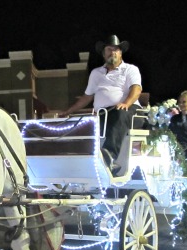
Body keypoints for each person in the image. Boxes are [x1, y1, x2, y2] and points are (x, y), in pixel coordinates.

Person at [59, 35, 142, 173]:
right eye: (109, 49)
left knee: (120, 113)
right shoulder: (96, 73)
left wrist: (126, 103)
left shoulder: (130, 69)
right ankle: (77, 161)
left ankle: (109, 158)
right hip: (104, 114)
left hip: (129, 111)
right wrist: (69, 111)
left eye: (116, 49)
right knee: (83, 123)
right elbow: (87, 96)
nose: (113, 52)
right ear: (104, 53)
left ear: (121, 53)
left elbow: (136, 89)